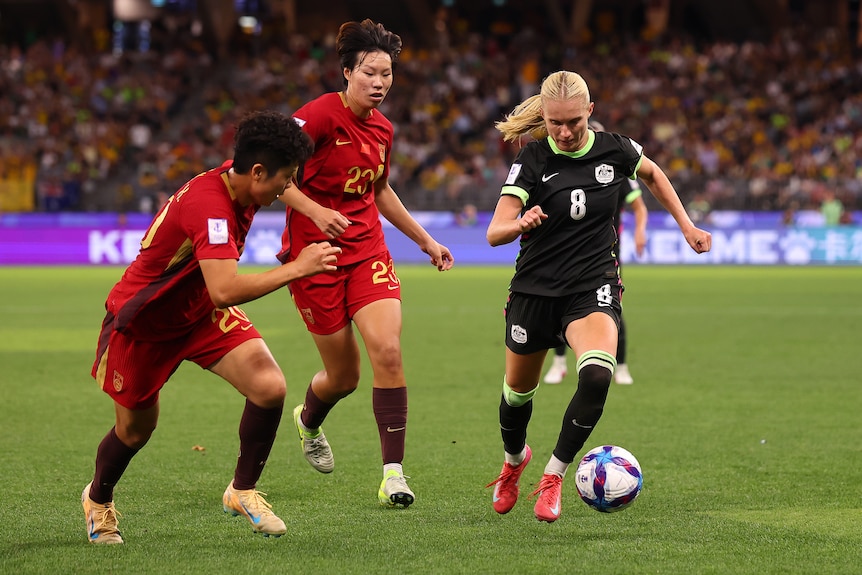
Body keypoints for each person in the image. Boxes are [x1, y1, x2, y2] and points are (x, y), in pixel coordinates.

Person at [82, 110, 342, 544]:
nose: (286, 188)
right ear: (258, 171)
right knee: (135, 431)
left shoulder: (239, 178)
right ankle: (98, 499)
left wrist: (313, 210)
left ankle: (242, 491)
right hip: (144, 324)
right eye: (285, 179)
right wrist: (299, 267)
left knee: (269, 386)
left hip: (198, 314)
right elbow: (224, 289)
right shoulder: (211, 207)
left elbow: (213, 292)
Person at [484, 71, 711, 523]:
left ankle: (553, 476)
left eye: (573, 121)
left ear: (590, 111)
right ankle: (514, 463)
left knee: (595, 377)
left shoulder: (615, 149)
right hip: (534, 290)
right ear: (543, 119)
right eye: (554, 124)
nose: (565, 133)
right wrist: (521, 223)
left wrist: (686, 225)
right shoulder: (532, 158)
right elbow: (494, 232)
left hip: (592, 284)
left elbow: (653, 174)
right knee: (517, 397)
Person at [276, 19, 454, 509]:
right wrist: (316, 212)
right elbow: (273, 178)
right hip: (314, 259)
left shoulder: (383, 128)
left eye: (388, 73)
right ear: (348, 72)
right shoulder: (314, 119)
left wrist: (424, 240)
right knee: (345, 377)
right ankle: (309, 419)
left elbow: (378, 190)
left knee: (388, 351)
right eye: (371, 73)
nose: (380, 83)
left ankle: (393, 473)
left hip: (368, 252)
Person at [543, 120, 648, 386]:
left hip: (606, 255)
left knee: (612, 310)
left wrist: (640, 231)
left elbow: (639, 206)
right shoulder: (566, 170)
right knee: (558, 305)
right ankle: (558, 363)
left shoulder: (615, 170)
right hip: (567, 253)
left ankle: (621, 366)